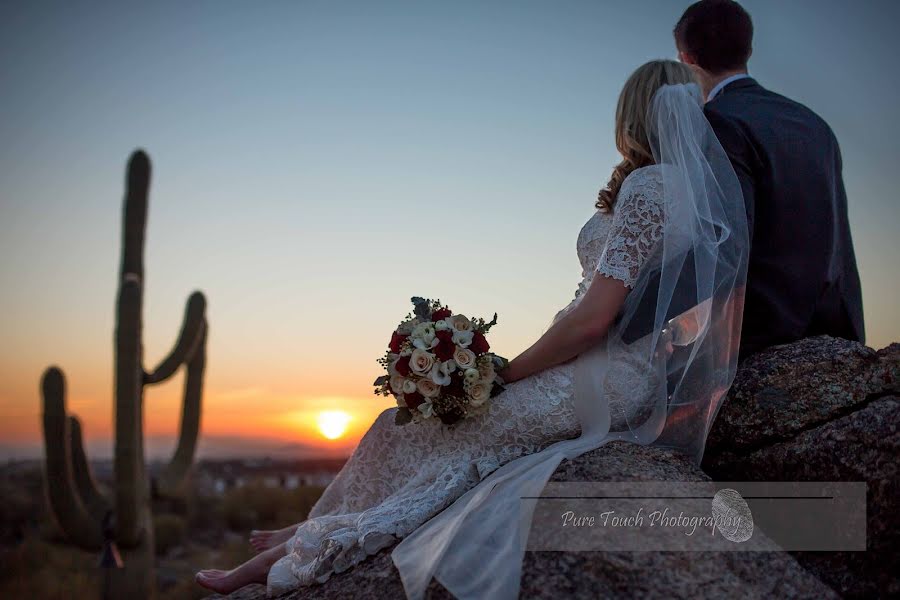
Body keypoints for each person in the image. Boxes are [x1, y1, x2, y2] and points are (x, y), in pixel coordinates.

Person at [195, 60, 750, 599]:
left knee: (414, 429)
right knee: (409, 428)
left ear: (631, 115)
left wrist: (501, 372)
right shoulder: (688, 192)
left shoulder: (651, 186)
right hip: (618, 371)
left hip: (601, 374)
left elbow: (592, 320)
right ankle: (304, 536)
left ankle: (294, 551)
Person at [674, 0, 865, 360]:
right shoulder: (814, 123)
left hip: (762, 336)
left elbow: (724, 243)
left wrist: (626, 315)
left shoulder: (718, 121)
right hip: (836, 330)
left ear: (686, 59)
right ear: (749, 48)